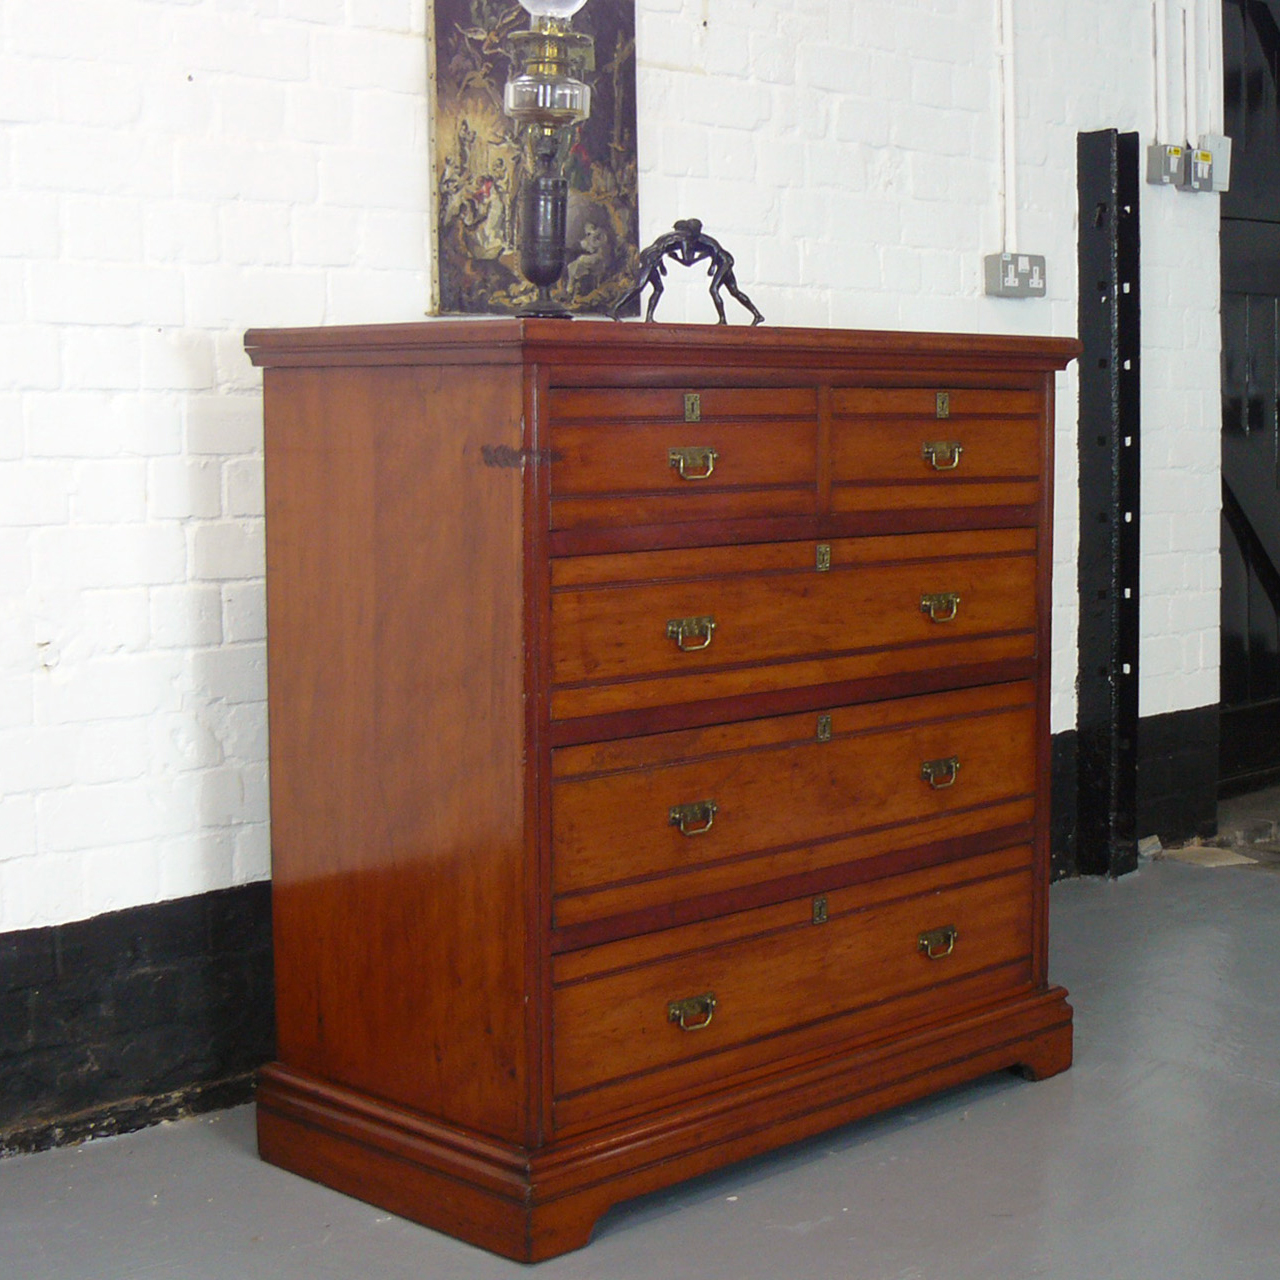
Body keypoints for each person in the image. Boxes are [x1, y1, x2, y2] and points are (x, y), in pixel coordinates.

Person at [610, 218, 764, 325]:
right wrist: (674, 259)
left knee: (659, 289)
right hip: (651, 258)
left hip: (723, 261)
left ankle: (753, 316)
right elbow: (684, 259)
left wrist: (673, 261)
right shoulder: (685, 239)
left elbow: (670, 252)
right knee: (639, 286)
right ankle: (614, 309)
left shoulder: (682, 238)